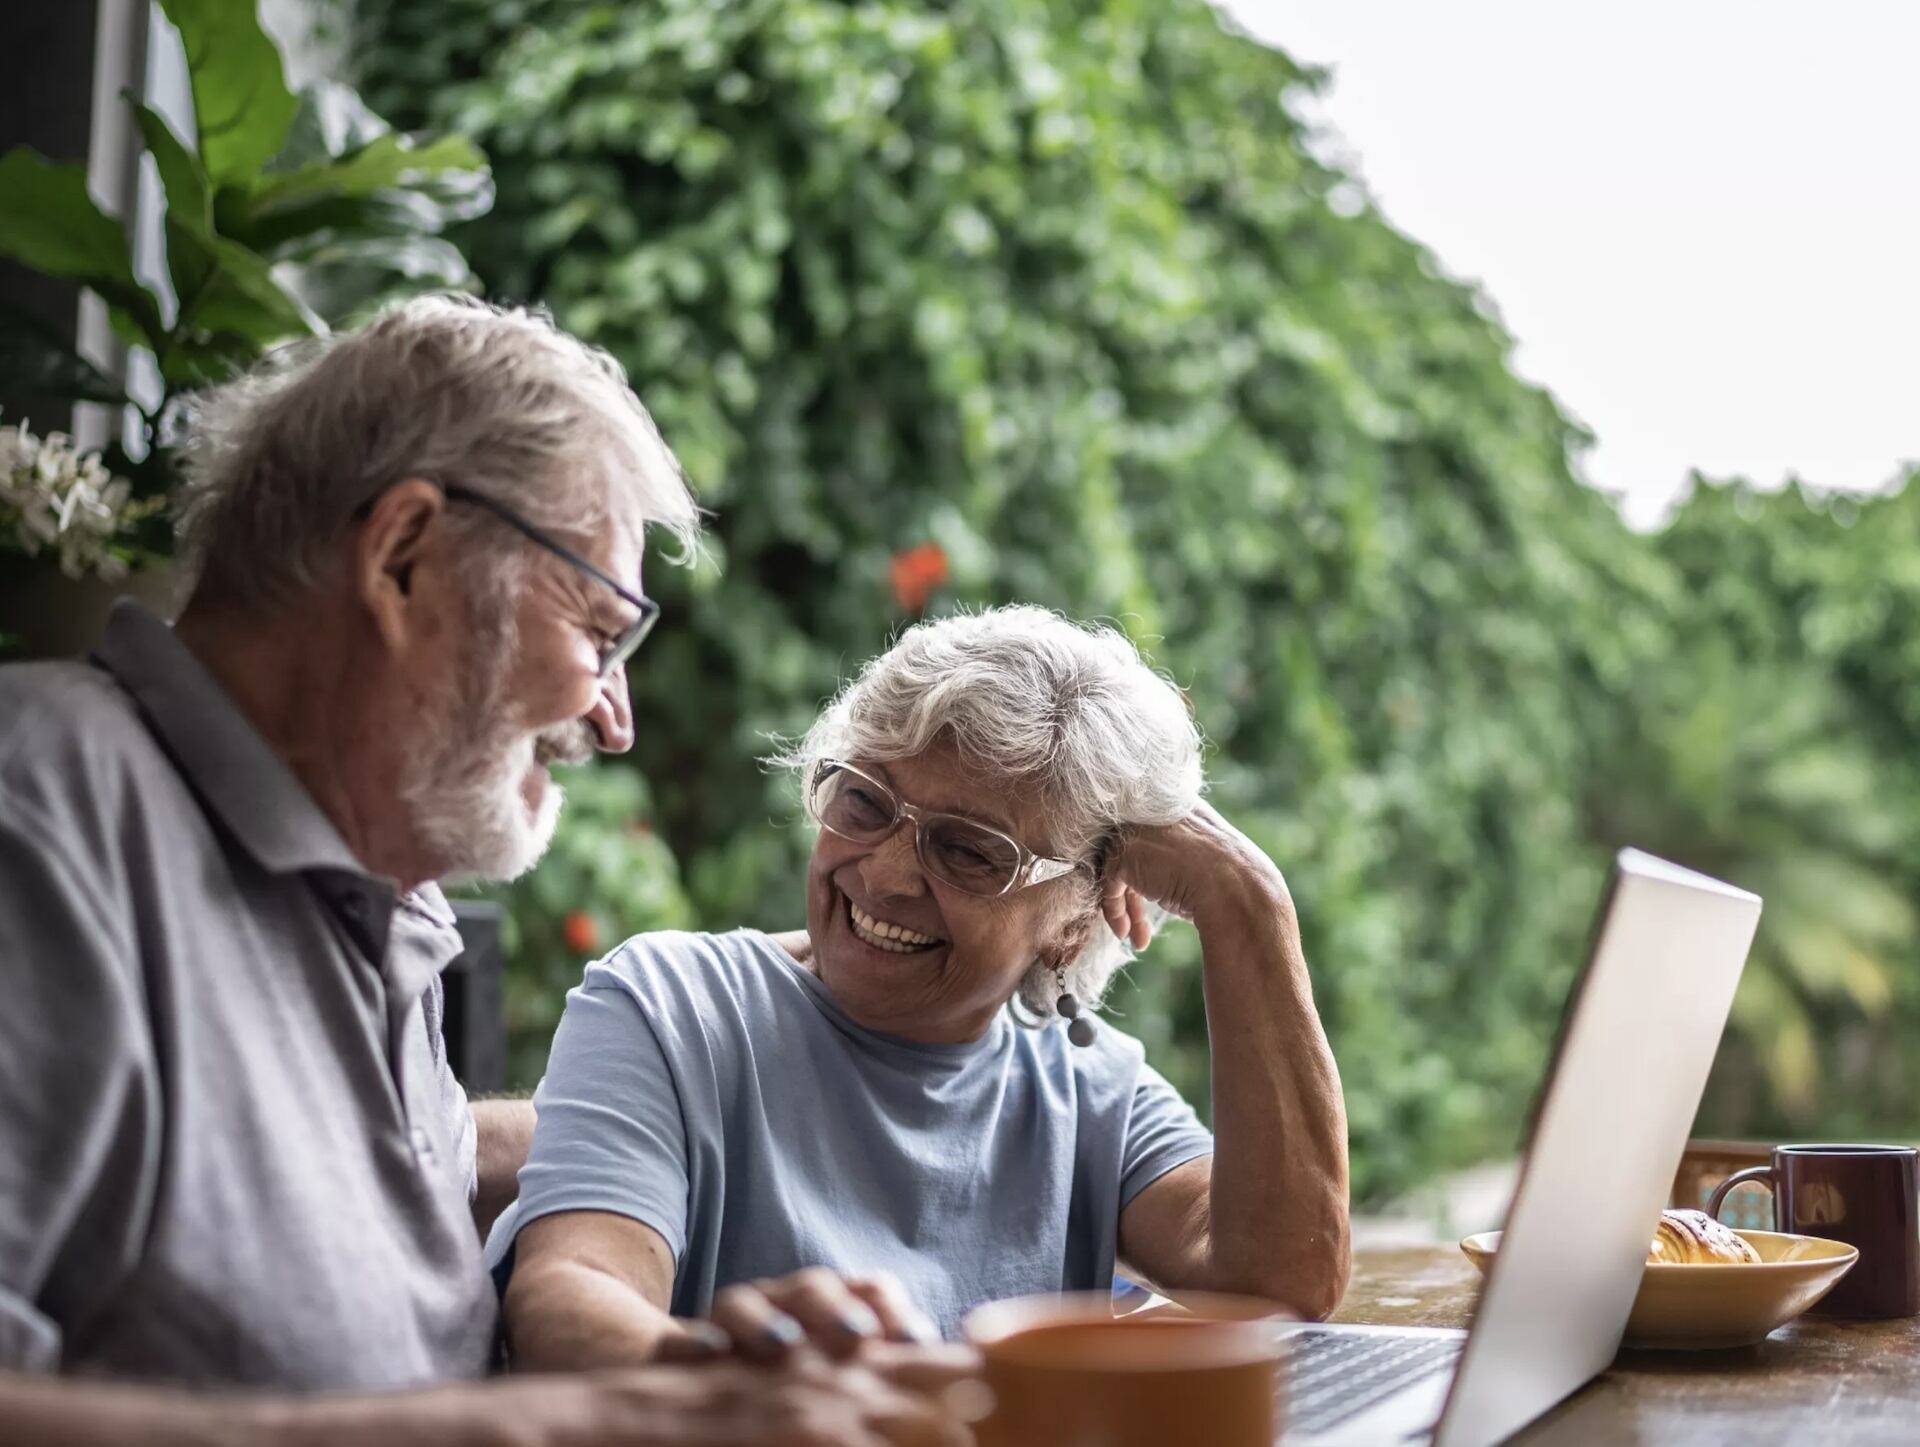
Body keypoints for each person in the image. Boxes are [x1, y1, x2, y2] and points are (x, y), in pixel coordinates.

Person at [0, 296, 970, 1447]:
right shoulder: (43, 817)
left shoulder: (373, 892)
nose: (614, 721)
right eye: (600, 632)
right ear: (404, 555)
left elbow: (395, 1167)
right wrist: (560, 1426)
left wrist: (715, 1354)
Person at [493, 606, 1351, 1367]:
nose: (889, 873)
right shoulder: (673, 1007)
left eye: (970, 850)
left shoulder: (1093, 1090)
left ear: (1073, 923)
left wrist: (1249, 905)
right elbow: (568, 1303)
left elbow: (1280, 1277)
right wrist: (741, 1383)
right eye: (864, 803)